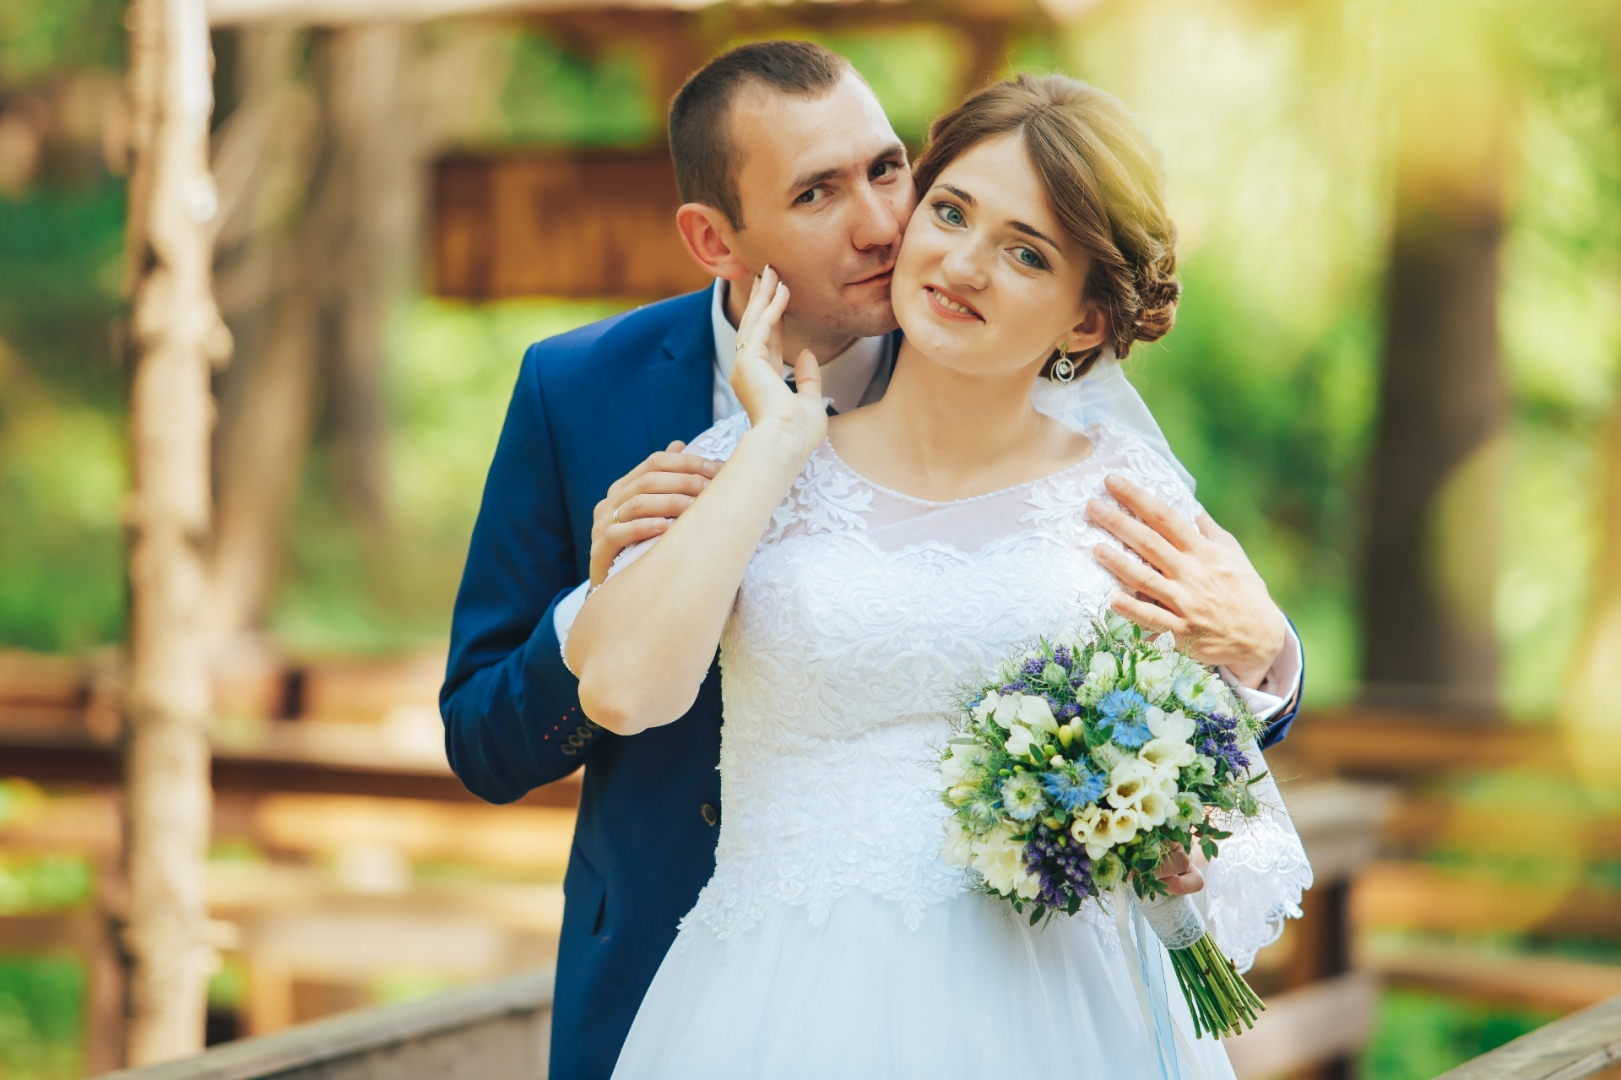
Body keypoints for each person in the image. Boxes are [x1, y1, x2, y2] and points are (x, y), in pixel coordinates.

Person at [440, 41, 1303, 1080]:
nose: (896, 234)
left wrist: (1264, 657)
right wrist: (686, 525)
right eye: (817, 191)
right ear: (715, 239)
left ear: (1083, 314)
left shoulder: (1101, 473)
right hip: (752, 982)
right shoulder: (607, 407)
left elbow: (1194, 722)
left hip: (1046, 1006)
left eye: (891, 172)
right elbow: (534, 714)